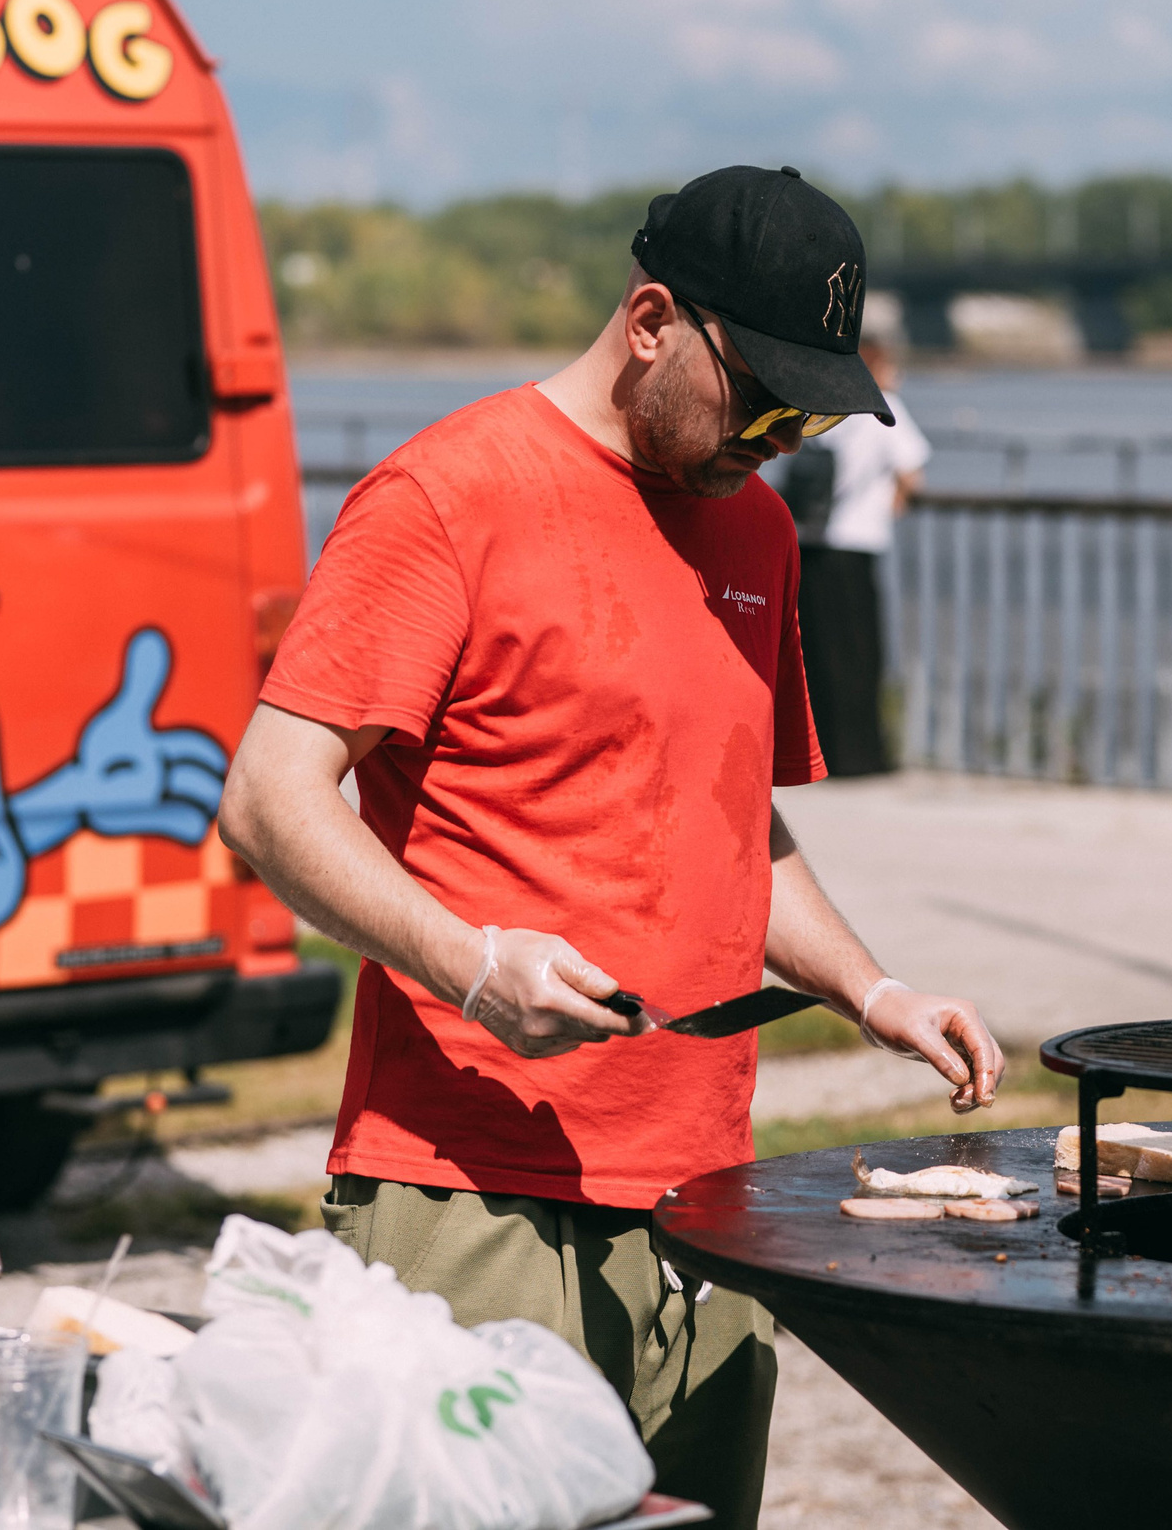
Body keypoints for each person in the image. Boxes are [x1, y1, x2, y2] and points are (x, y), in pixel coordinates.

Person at [216, 165, 1003, 1530]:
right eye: (761, 400)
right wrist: (472, 966)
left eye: (811, 416)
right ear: (651, 322)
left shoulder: (756, 525)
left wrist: (870, 988)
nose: (781, 441)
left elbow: (729, 814)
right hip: (472, 1189)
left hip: (706, 1196)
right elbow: (271, 799)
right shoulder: (446, 495)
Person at [768, 328, 930, 775]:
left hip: (811, 542)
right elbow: (913, 471)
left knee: (817, 654)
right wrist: (895, 501)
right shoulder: (883, 407)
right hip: (856, 544)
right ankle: (863, 756)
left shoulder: (826, 406)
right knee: (861, 654)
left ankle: (824, 754)